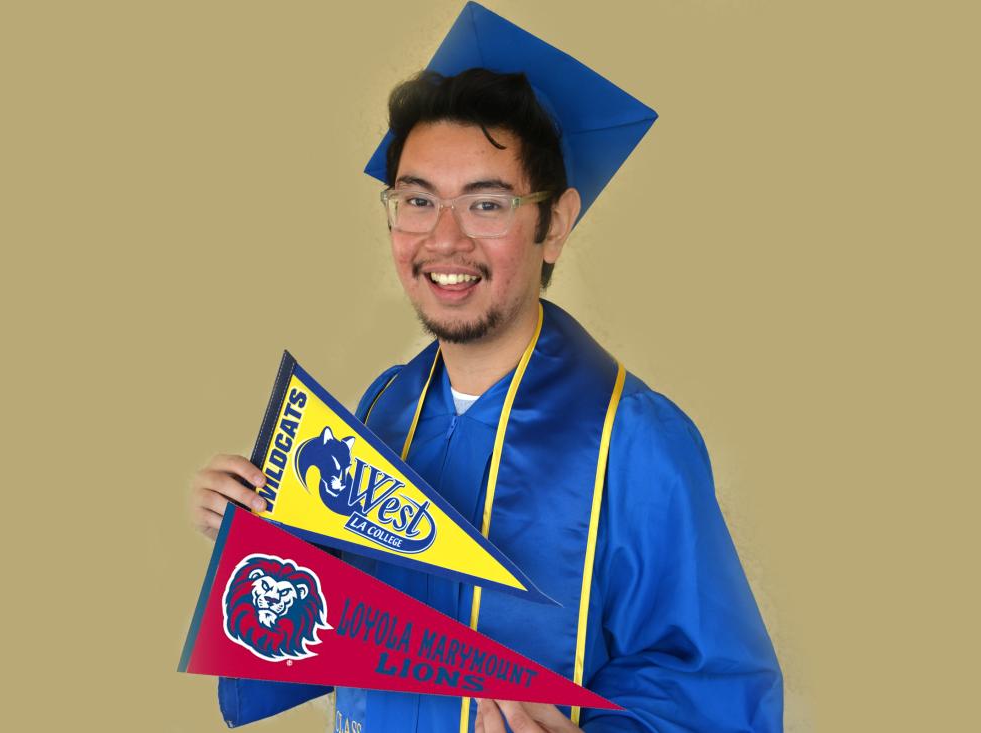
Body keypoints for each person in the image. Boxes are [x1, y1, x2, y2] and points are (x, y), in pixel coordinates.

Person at [189, 5, 782, 732]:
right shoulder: (385, 408)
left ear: (555, 224)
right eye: (416, 200)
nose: (444, 239)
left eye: (487, 203)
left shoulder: (635, 440)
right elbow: (346, 622)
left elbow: (712, 691)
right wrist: (254, 537)